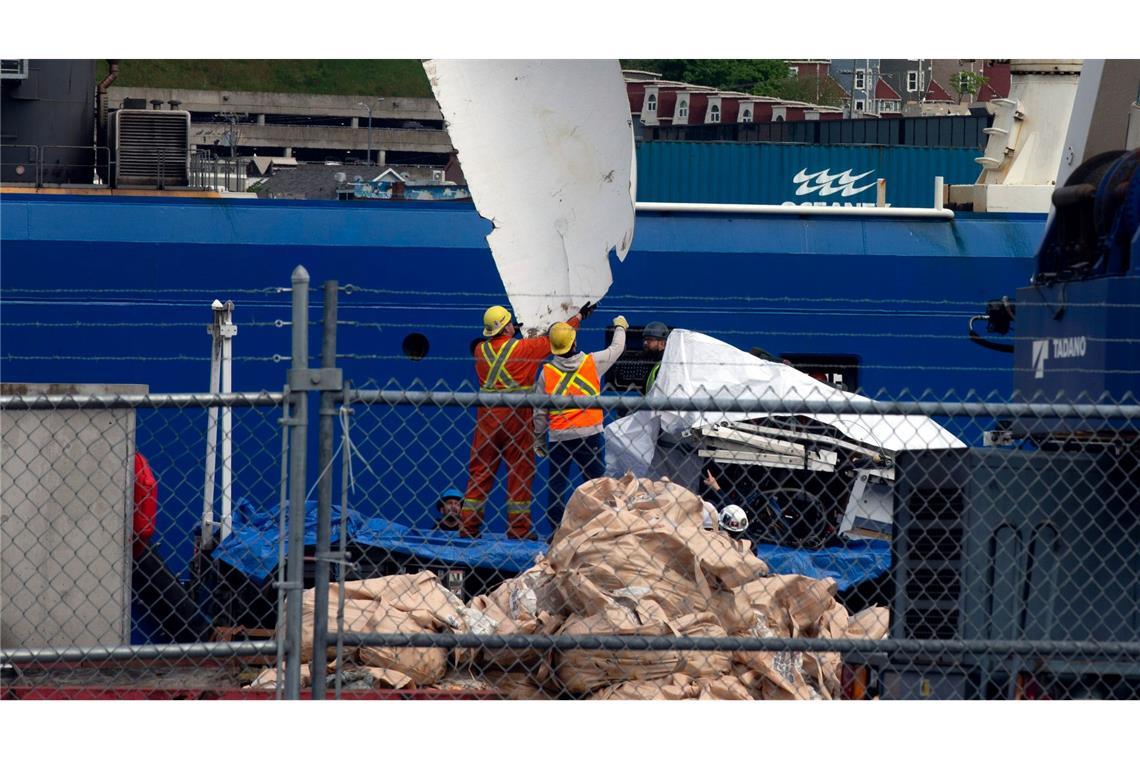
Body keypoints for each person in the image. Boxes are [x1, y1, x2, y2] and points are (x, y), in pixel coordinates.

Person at [462, 301, 596, 539]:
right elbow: (552, 340)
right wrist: (578, 318)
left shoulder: (479, 351)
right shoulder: (522, 349)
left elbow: (500, 349)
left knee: (480, 470)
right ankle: (519, 530)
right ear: (505, 328)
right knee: (520, 471)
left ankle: (468, 527)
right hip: (517, 416)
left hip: (487, 417)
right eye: (509, 323)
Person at [535, 316, 628, 529]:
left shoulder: (547, 373)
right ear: (574, 342)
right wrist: (620, 326)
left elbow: (539, 411)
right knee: (597, 484)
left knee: (557, 486)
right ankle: (601, 526)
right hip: (590, 435)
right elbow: (617, 347)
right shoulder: (592, 363)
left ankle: (556, 532)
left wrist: (539, 438)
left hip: (559, 437)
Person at [132, 452, 213, 643]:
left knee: (152, 571)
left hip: (132, 540)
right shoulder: (133, 459)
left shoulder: (131, 459)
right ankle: (196, 635)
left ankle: (196, 635)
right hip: (133, 540)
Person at [637, 320, 670, 394]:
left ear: (662, 343)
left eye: (650, 340)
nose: (645, 343)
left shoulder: (664, 366)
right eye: (645, 339)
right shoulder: (656, 362)